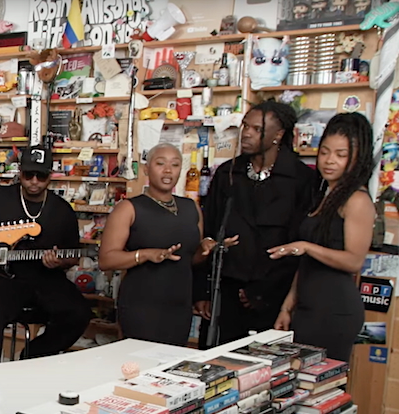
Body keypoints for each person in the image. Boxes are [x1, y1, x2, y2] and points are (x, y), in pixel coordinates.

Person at [196, 100, 320, 347]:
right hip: (226, 294)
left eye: (257, 129)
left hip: (274, 298)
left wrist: (262, 292)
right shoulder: (228, 174)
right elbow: (207, 234)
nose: (247, 133)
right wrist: (202, 292)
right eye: (245, 126)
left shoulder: (301, 179)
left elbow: (300, 244)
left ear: (278, 135)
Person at [0, 145, 91, 363]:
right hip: (3, 278)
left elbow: (73, 256)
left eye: (41, 175)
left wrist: (59, 262)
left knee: (79, 313)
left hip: (47, 280)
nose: (35, 181)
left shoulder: (62, 210)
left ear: (50, 176)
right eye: (29, 175)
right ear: (20, 173)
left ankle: (34, 356)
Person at [99, 144, 237, 346]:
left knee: (170, 368)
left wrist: (208, 249)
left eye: (175, 165)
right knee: (139, 366)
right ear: (147, 169)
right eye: (160, 163)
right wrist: (146, 255)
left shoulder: (191, 208)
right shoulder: (129, 208)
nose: (167, 170)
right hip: (142, 305)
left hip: (179, 305)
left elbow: (191, 259)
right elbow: (106, 260)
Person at [272, 113, 374, 361]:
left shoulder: (357, 200)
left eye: (341, 155)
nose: (329, 161)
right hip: (307, 309)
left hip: (335, 312)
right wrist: (287, 306)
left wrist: (306, 247)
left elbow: (354, 261)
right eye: (325, 152)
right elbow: (306, 264)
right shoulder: (325, 195)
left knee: (321, 391)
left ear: (357, 158)